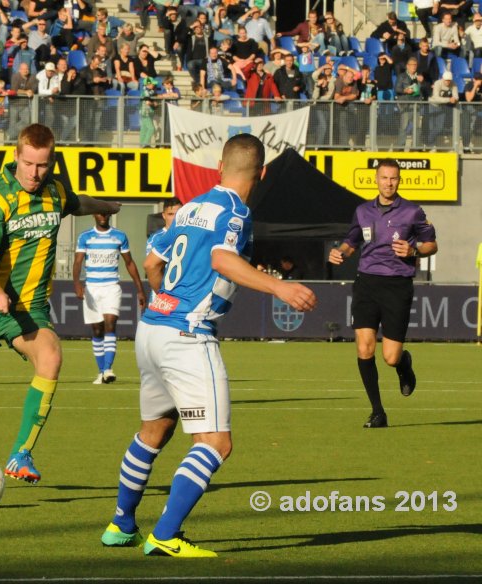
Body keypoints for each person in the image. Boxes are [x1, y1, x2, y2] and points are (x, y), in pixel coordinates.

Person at [100, 133, 317, 557]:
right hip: (187, 335)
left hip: (152, 328)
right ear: (263, 173)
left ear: (220, 166)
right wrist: (279, 287)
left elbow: (150, 263)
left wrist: (168, 299)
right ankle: (164, 535)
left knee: (154, 431)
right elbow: (221, 259)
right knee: (216, 442)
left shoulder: (191, 207)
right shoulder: (236, 211)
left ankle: (121, 523)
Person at [0, 124, 122, 484]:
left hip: (29, 308)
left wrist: (109, 206)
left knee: (51, 357)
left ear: (52, 161)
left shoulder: (56, 191)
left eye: (42, 166)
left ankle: (20, 454)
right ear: (16, 156)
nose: (34, 173)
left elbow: (77, 203)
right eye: (28, 164)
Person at [328, 159, 437, 429]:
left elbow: (431, 245)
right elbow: (352, 242)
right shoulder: (363, 211)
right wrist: (340, 252)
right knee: (364, 348)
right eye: (384, 178)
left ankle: (404, 362)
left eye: (393, 179)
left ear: (399, 181)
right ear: (376, 180)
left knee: (390, 356)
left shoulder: (412, 212)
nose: (388, 183)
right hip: (366, 283)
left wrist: (414, 251)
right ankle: (378, 412)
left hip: (397, 285)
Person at [73, 213, 146, 385]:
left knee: (110, 324)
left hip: (112, 287)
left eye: (106, 213)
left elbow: (129, 263)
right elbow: (77, 262)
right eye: (99, 212)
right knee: (97, 330)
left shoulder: (119, 236)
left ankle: (108, 369)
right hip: (91, 288)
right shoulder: (85, 237)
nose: (103, 216)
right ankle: (101, 372)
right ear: (94, 215)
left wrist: (140, 289)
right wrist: (77, 283)